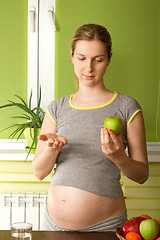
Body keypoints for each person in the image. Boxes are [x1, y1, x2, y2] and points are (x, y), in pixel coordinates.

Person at [32, 24, 149, 232]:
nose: (88, 68)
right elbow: (39, 172)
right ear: (72, 56)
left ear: (109, 59)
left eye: (98, 60)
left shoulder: (127, 107)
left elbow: (142, 175)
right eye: (82, 58)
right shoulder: (57, 108)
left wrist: (119, 157)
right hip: (54, 227)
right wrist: (52, 148)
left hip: (105, 227)